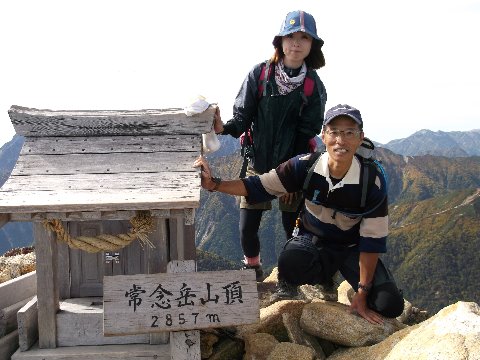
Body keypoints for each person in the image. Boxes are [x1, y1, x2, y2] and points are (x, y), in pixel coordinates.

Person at [194, 104, 404, 324]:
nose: (341, 140)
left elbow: (372, 242)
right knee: (291, 260)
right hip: (313, 240)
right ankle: (314, 279)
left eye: (349, 132)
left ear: (360, 138)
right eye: (334, 132)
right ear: (323, 135)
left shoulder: (371, 181)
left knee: (389, 304)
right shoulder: (305, 166)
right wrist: (213, 184)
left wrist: (362, 292)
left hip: (352, 248)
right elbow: (256, 186)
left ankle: (339, 278)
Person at [213, 10, 327, 281]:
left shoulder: (313, 86)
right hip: (258, 164)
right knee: (246, 227)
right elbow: (242, 119)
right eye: (290, 36)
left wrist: (294, 178)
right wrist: (223, 128)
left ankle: (292, 276)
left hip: (293, 167)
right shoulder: (260, 74)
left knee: (293, 227)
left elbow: (307, 132)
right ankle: (252, 269)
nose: (296, 43)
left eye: (303, 38)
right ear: (280, 41)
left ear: (312, 45)